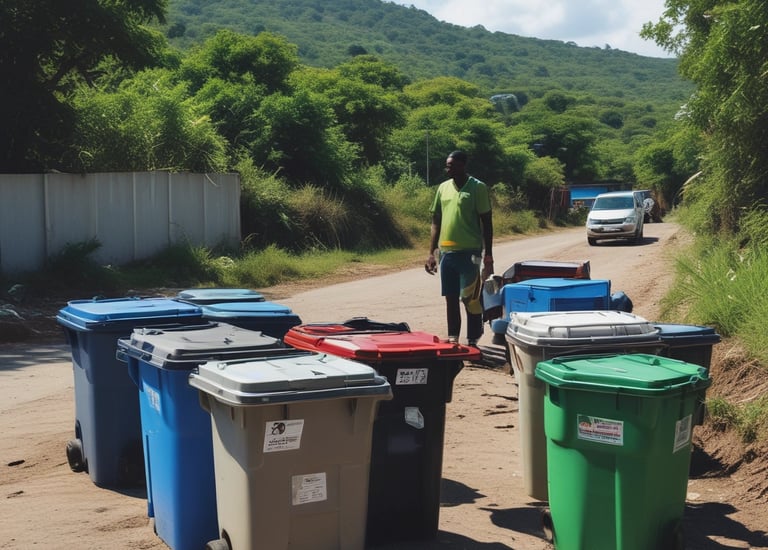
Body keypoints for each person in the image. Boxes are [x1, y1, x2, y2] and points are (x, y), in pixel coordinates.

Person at [425, 150, 493, 346]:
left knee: (470, 298)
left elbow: (487, 222)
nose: (448, 168)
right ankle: (453, 337)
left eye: (452, 165)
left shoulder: (477, 188)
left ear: (463, 165)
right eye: (447, 165)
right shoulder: (443, 188)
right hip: (446, 253)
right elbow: (435, 220)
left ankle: (473, 340)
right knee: (451, 297)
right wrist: (431, 252)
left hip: (470, 253)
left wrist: (488, 255)